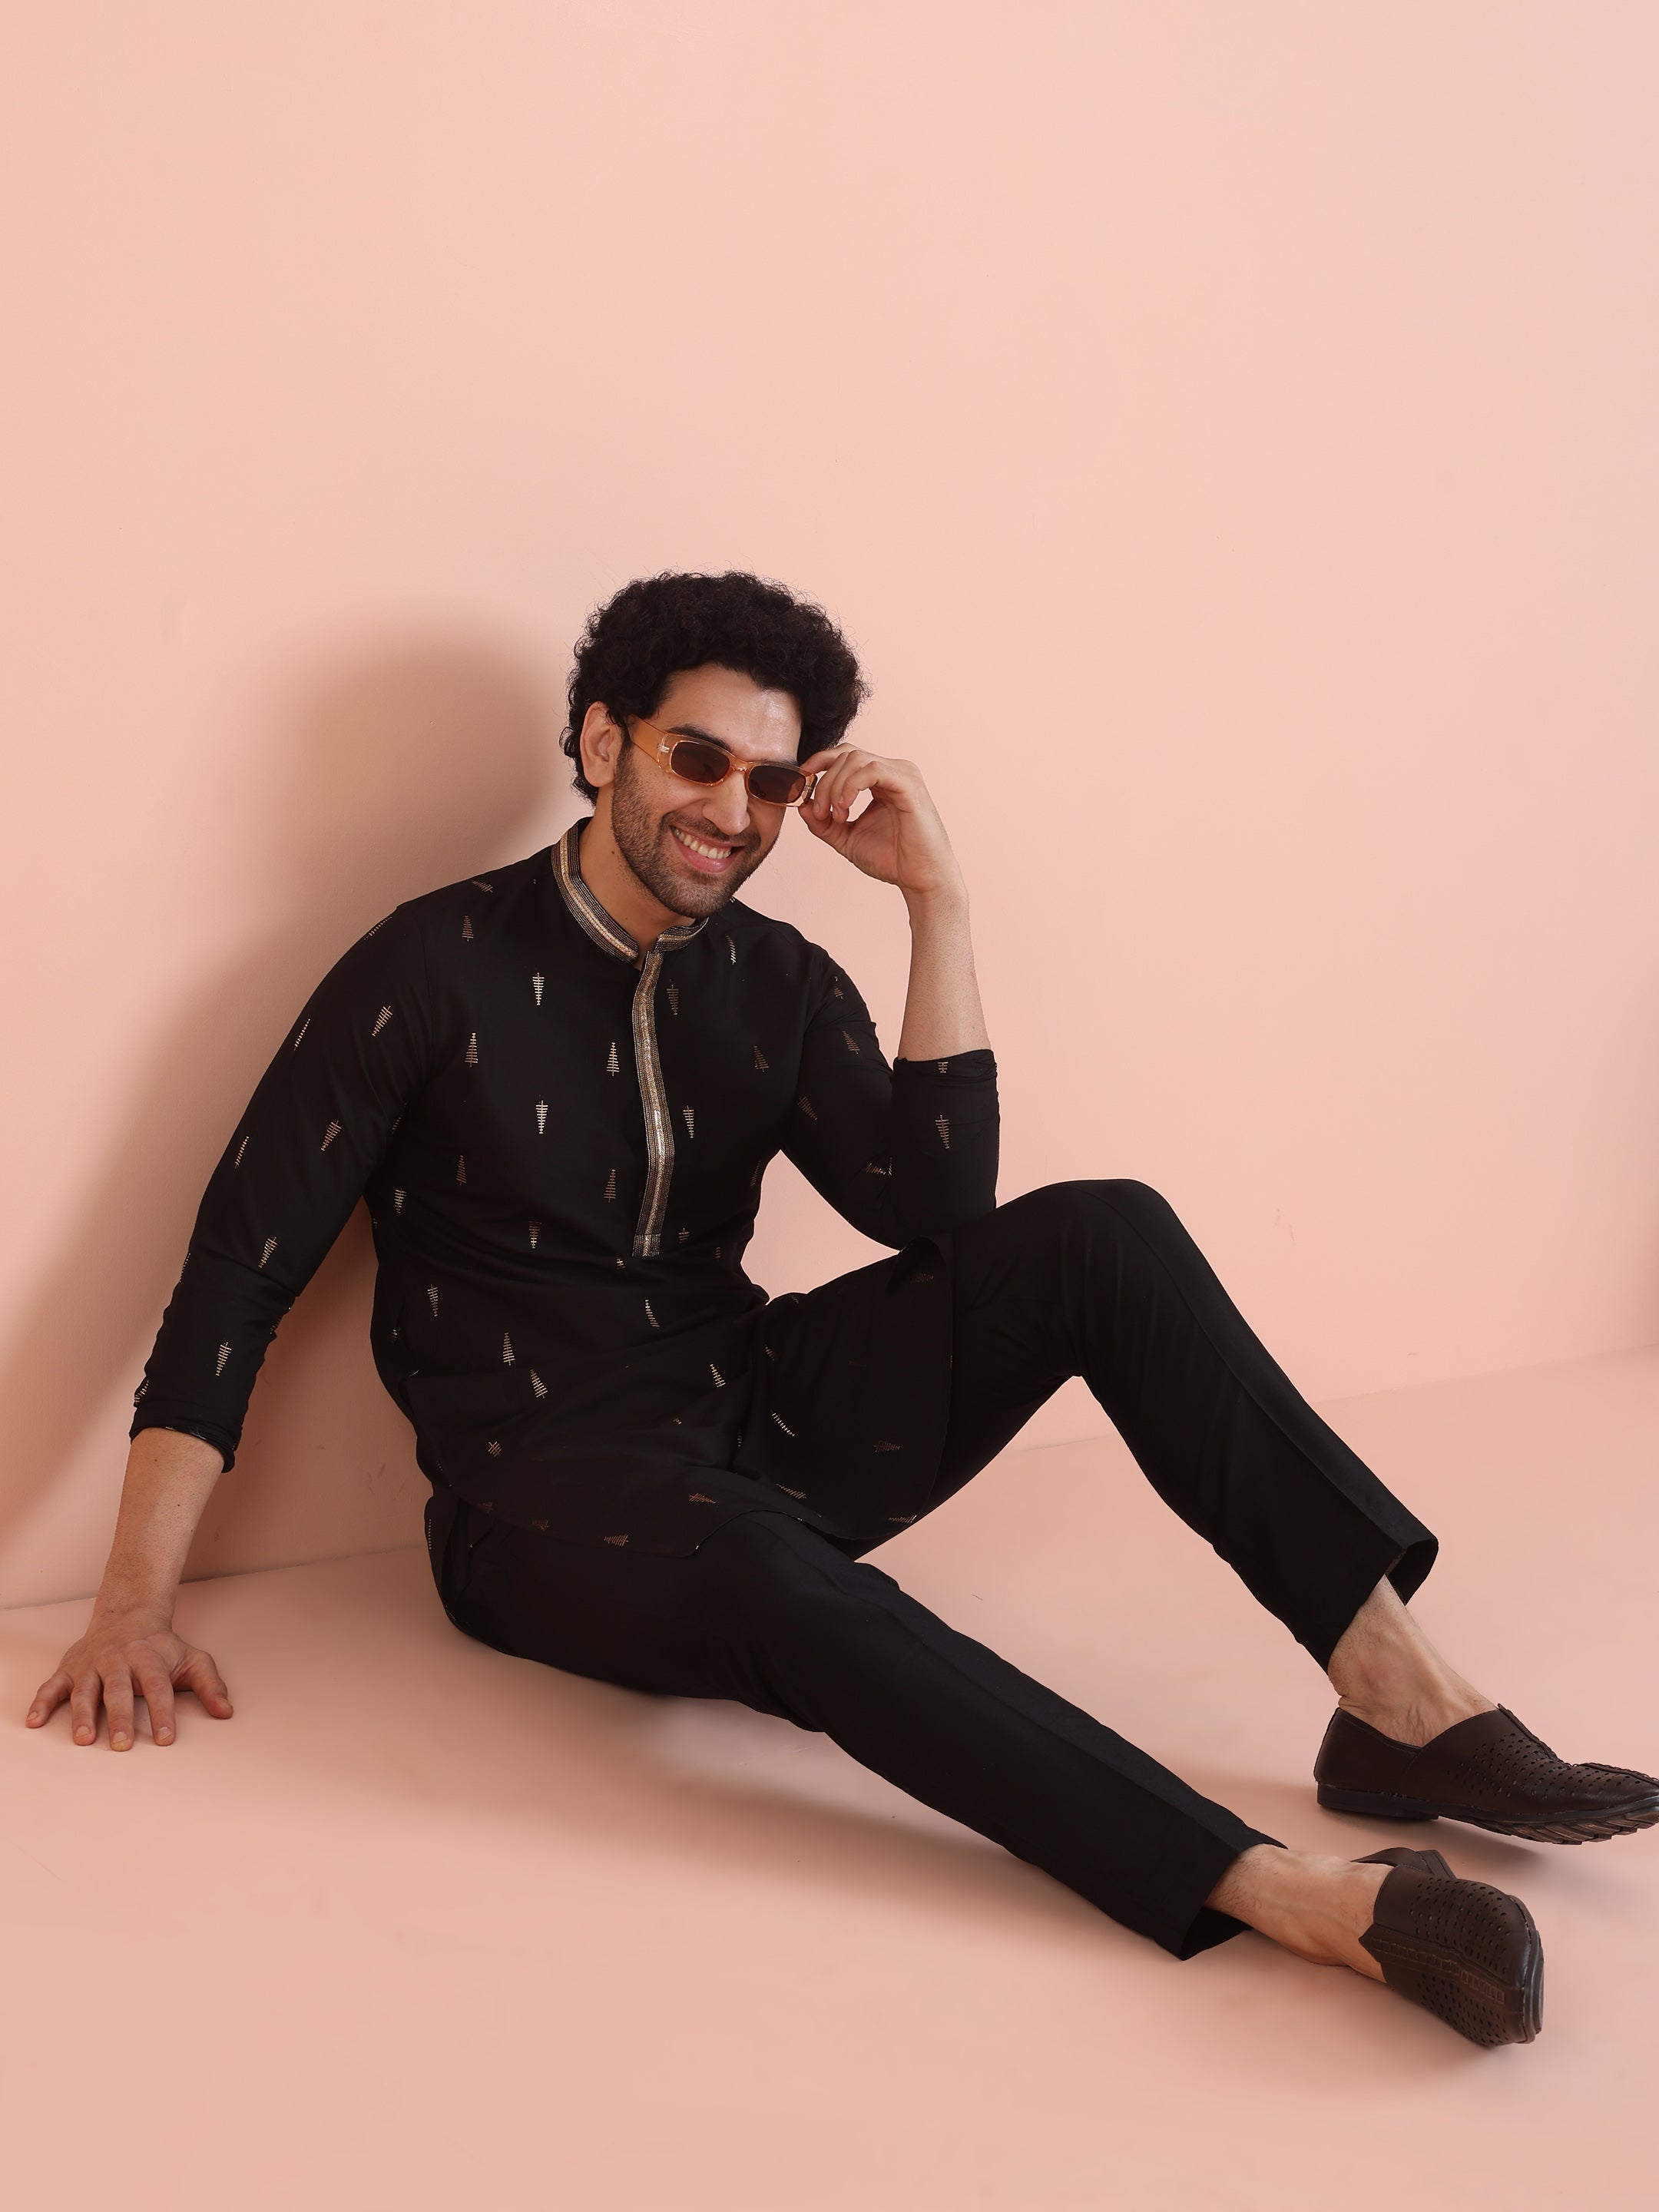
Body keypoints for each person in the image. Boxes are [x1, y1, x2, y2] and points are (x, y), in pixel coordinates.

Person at [28, 571, 1657, 2048]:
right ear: (599, 742)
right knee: (763, 1563)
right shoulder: (426, 966)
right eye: (696, 759)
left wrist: (935, 902)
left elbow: (941, 1219)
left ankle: (1400, 1698)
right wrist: (129, 1606)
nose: (730, 811)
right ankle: (1277, 1889)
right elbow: (239, 1267)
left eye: (767, 781)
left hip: (752, 1405)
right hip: (539, 1501)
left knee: (1103, 1233)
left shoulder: (777, 978)